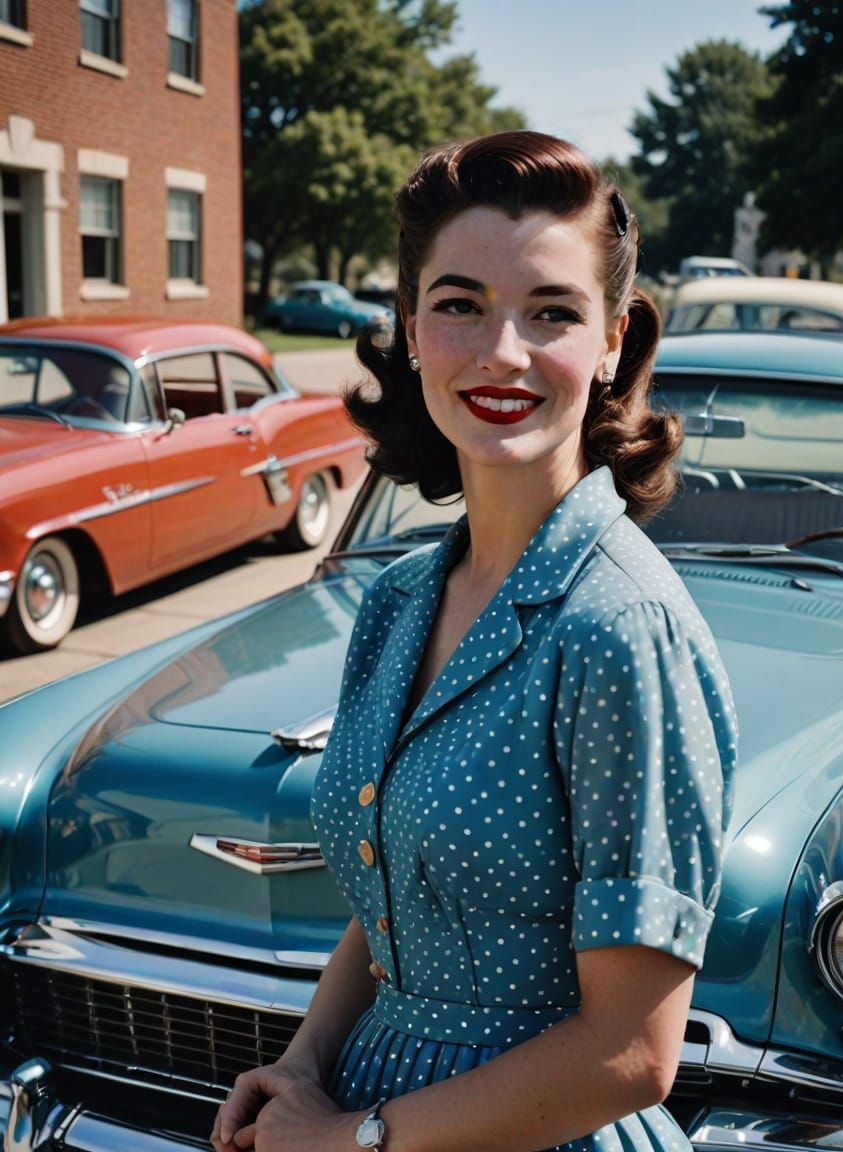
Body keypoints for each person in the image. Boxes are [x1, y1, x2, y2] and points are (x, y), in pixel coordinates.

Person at [211, 130, 737, 1152]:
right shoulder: (400, 601)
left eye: (550, 313)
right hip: (365, 1104)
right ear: (412, 330)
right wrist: (305, 1063)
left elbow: (629, 1054)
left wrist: (352, 1140)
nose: (502, 352)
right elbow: (398, 893)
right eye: (459, 305)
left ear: (614, 340)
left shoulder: (620, 627)